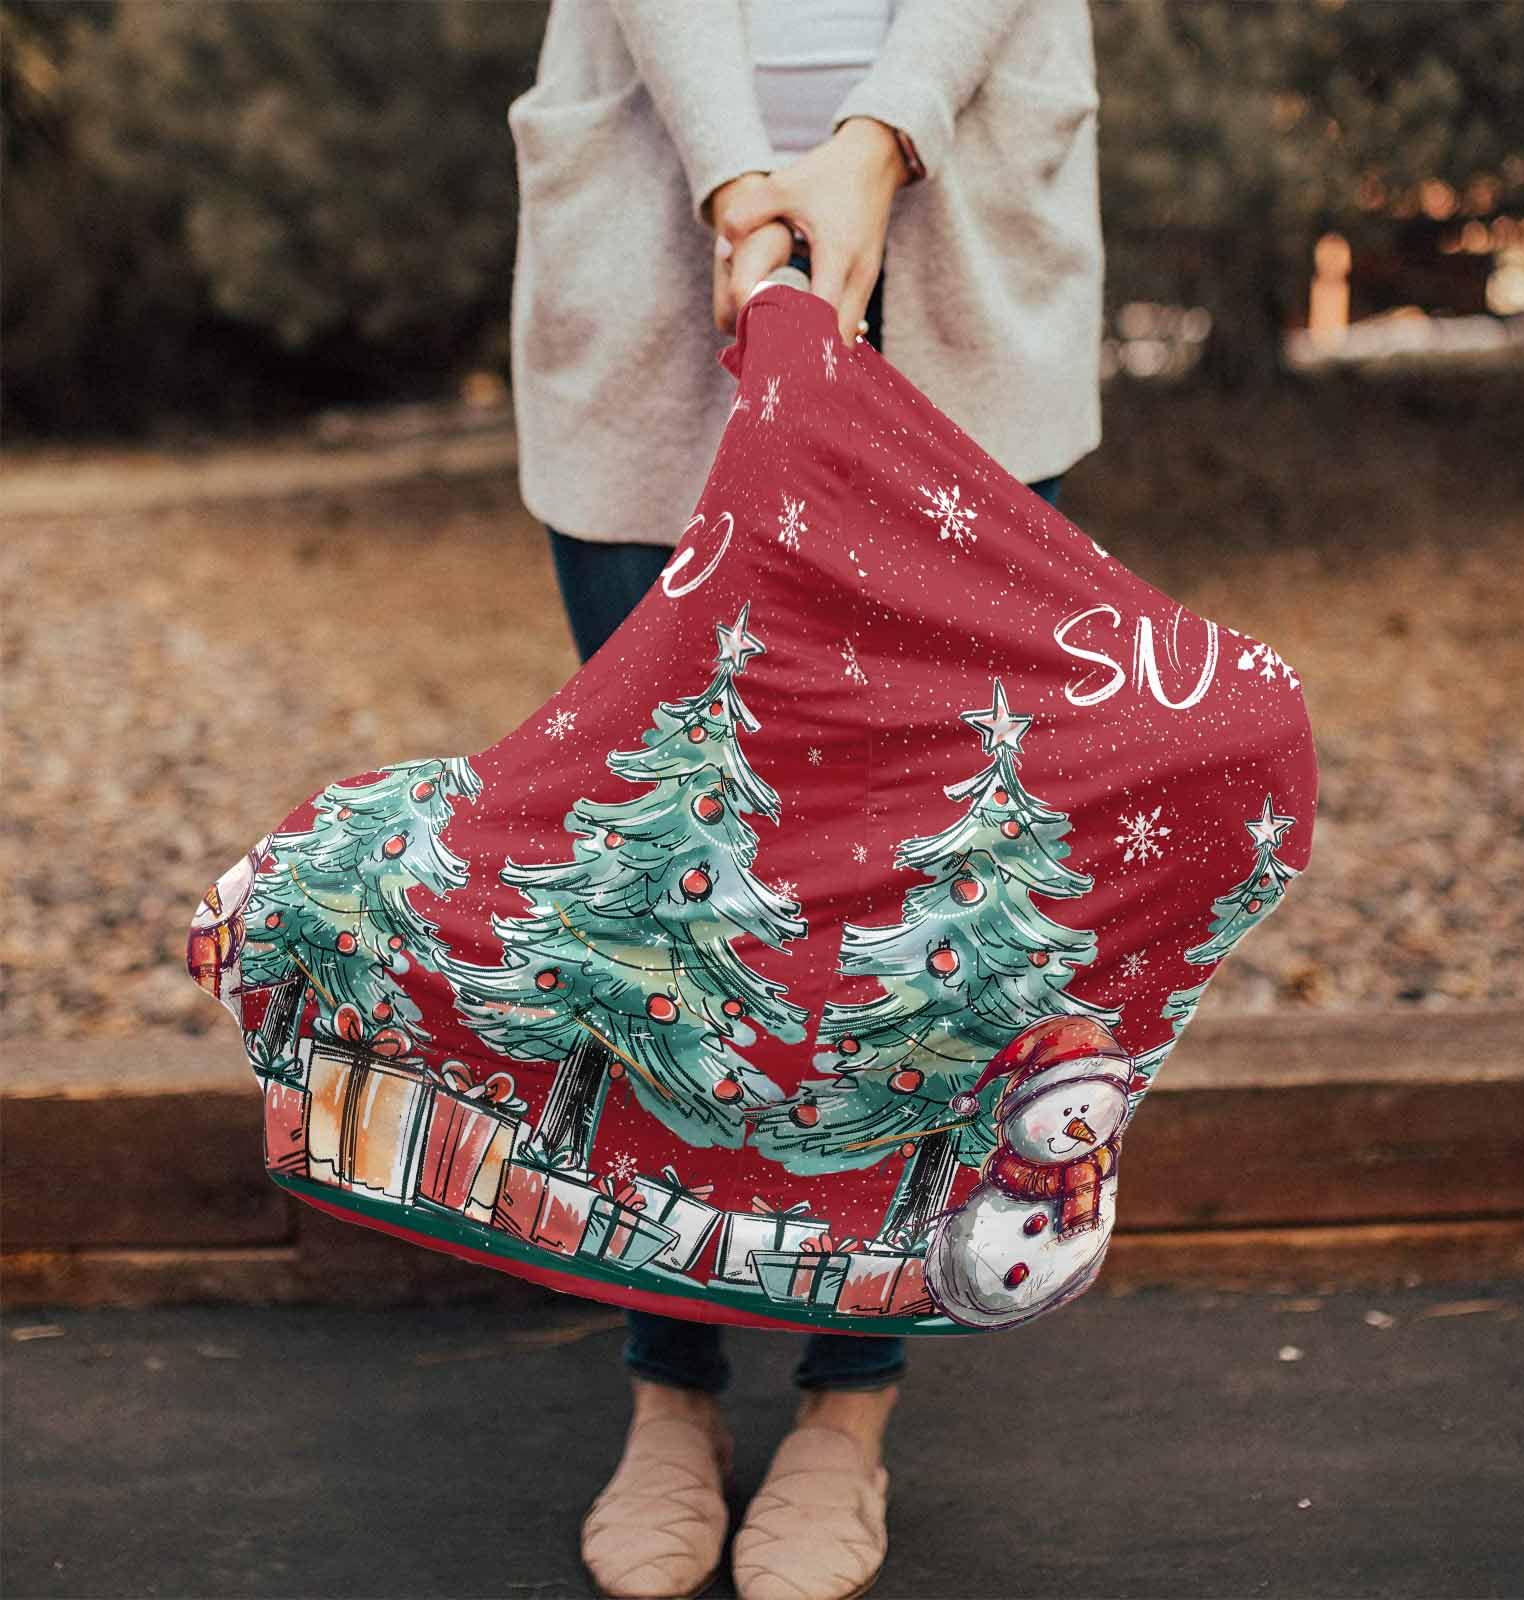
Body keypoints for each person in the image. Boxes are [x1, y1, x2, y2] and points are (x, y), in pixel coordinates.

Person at [506, 4, 1104, 1596]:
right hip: (657, 222)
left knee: (923, 889)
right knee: (662, 874)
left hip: (959, 224)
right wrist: (734, 178)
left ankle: (850, 1400)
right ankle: (669, 1386)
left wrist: (877, 136)